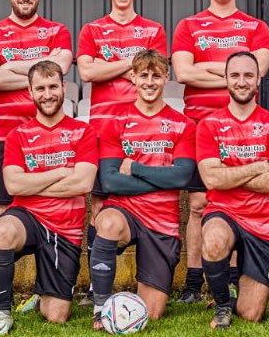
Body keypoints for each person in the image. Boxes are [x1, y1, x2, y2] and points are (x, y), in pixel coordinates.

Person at [171, 0, 269, 303]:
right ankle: (193, 282)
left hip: (243, 127)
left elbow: (257, 72)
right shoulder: (189, 26)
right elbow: (183, 72)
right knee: (199, 204)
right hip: (199, 125)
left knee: (234, 200)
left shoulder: (255, 27)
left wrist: (207, 68)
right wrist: (232, 73)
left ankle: (228, 279)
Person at [76, 0, 168, 306]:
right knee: (100, 205)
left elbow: (155, 72)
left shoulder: (153, 30)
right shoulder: (92, 30)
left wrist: (107, 66)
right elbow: (87, 72)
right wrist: (132, 63)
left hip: (144, 132)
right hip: (103, 131)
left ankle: (151, 275)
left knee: (146, 198)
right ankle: (96, 287)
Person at [0, 60, 99, 335]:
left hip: (65, 229)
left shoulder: (83, 131)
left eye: (52, 87)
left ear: (64, 88)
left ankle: (42, 293)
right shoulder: (17, 135)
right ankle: (2, 312)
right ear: (30, 92)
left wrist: (32, 184)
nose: (47, 94)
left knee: (56, 316)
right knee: (2, 231)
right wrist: (60, 172)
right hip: (28, 217)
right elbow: (13, 185)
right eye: (40, 88)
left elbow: (83, 183)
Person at [89, 50, 195, 329]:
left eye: (156, 76)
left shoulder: (182, 124)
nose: (149, 82)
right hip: (125, 211)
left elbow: (182, 177)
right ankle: (100, 307)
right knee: (107, 223)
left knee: (152, 312)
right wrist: (163, 178)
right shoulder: (116, 121)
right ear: (133, 77)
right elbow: (110, 181)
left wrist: (135, 168)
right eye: (144, 75)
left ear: (166, 78)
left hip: (162, 221)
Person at [196, 51, 269, 329]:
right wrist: (258, 166)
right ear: (226, 79)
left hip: (263, 222)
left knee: (251, 313)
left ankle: (238, 291)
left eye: (248, 75)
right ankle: (222, 306)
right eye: (235, 75)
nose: (242, 81)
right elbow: (211, 180)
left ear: (258, 78)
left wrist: (229, 172)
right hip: (223, 211)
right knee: (214, 239)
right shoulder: (210, 125)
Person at [0, 0, 73, 218]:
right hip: (5, 135)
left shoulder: (57, 31)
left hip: (49, 135)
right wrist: (42, 70)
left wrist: (9, 65)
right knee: (4, 209)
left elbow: (61, 68)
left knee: (51, 203)